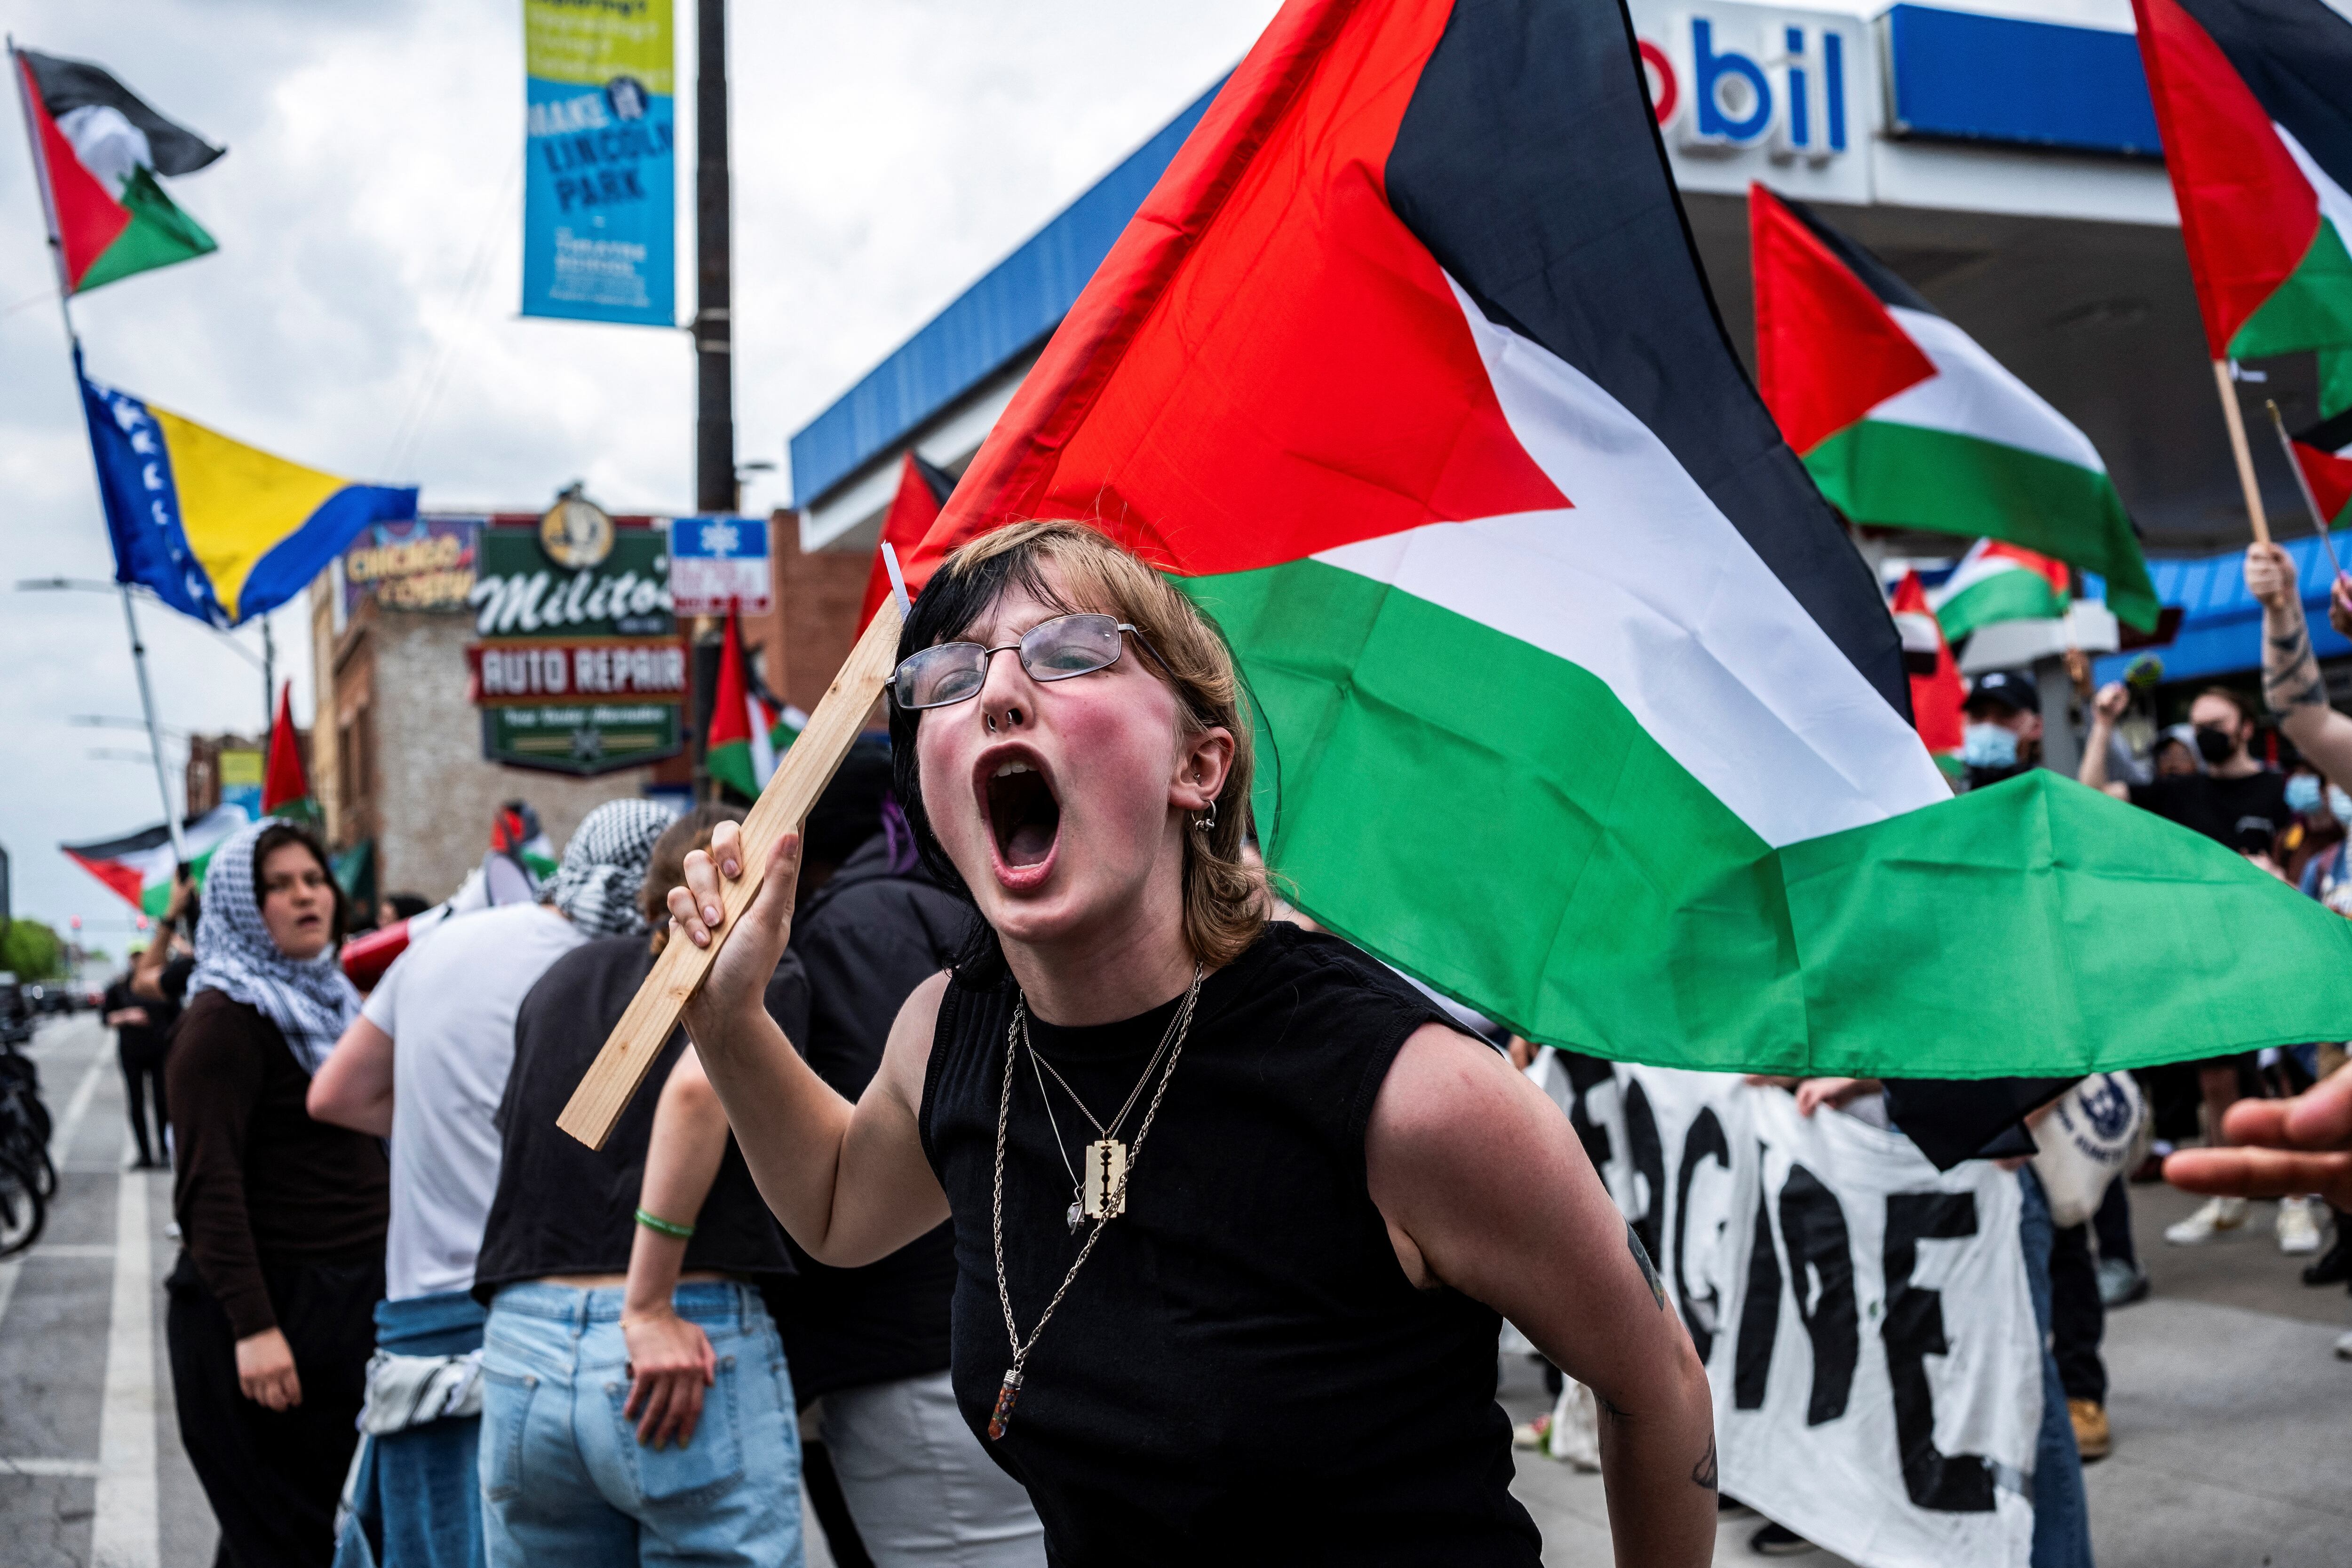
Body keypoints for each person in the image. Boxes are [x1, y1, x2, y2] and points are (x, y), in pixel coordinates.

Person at [666, 521, 1716, 1565]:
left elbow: (1652, 1379)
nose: (994, 692)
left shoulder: (1409, 1091)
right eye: (944, 675)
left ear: (1198, 763)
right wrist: (726, 1016)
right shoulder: (948, 1029)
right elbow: (840, 1206)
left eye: (1071, 651)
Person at [307, 803, 663, 1568]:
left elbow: (336, 1093)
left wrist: (449, 1116)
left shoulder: (441, 945)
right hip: (550, 1311)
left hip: (416, 1322)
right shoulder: (618, 971)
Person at [471, 804, 808, 1568]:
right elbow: (696, 1094)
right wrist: (646, 1303)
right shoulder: (752, 969)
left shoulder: (561, 977)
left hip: (525, 1338)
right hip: (677, 1332)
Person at [774, 757, 1045, 1566]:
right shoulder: (964, 906)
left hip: (921, 1348)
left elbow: (899, 1146)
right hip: (984, 1333)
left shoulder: (860, 925)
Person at [165, 819, 389, 1568]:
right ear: (239, 905)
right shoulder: (222, 1020)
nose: (306, 896)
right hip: (269, 1314)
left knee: (316, 1530)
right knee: (283, 1538)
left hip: (344, 1307)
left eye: (315, 879)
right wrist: (254, 1327)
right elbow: (208, 1189)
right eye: (280, 886)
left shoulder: (335, 999)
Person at [2082, 679, 2294, 1245]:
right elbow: (2091, 795)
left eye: (2216, 724)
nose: (2205, 735)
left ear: (2245, 727)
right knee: (2216, 1083)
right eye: (2196, 725)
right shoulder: (2181, 792)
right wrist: (2102, 723)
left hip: (2272, 954)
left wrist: (2279, 880)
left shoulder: (2278, 790)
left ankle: (2297, 1196)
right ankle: (2228, 1193)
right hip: (2207, 962)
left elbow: (2309, 862)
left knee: (2280, 1080)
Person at [104, 946, 173, 1169]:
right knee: (136, 1103)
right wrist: (127, 1016)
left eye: (142, 956)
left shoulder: (163, 984)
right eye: (135, 957)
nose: (139, 961)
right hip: (132, 1053)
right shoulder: (120, 987)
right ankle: (144, 1153)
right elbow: (106, 1018)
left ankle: (164, 1151)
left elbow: (178, 1017)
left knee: (162, 1101)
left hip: (160, 1051)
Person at [1958, 670, 2043, 790]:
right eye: (1978, 714)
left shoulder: (2049, 795)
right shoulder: (1944, 794)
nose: (1989, 726)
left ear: (2036, 726)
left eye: (2006, 714)